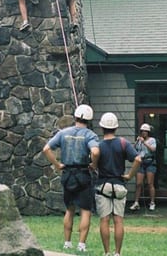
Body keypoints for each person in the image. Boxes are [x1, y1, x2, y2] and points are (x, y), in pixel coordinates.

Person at [42, 104, 100, 253]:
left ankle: (67, 243)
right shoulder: (90, 135)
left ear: (75, 117)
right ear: (89, 119)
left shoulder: (63, 133)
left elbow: (46, 149)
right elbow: (95, 151)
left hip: (67, 174)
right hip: (83, 174)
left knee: (69, 209)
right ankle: (81, 245)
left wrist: (57, 164)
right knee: (86, 210)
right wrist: (93, 164)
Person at [94, 112, 141, 256]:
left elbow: (94, 162)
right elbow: (138, 159)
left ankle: (107, 252)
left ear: (102, 128)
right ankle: (117, 253)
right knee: (118, 221)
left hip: (103, 186)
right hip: (119, 185)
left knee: (104, 220)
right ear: (116, 128)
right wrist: (129, 175)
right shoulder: (123, 143)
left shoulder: (98, 146)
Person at [130, 123, 157, 211]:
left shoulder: (152, 140)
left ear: (148, 132)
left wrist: (144, 142)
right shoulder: (139, 140)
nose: (144, 133)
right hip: (140, 162)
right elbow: (133, 150)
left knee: (150, 183)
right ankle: (136, 202)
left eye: (146, 131)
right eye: (142, 131)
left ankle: (152, 202)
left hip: (149, 161)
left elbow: (153, 149)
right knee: (138, 183)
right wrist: (137, 142)